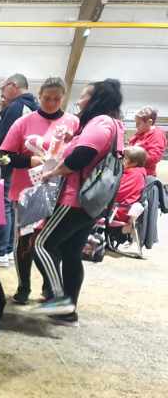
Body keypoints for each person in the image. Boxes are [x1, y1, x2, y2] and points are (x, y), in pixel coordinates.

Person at [33, 79, 125, 324]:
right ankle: (68, 308)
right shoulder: (115, 124)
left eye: (84, 95)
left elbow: (81, 156)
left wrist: (52, 173)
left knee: (41, 245)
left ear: (95, 100)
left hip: (75, 199)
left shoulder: (100, 122)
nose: (80, 100)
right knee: (71, 252)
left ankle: (59, 301)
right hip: (92, 203)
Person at [0, 76, 79, 305]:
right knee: (25, 240)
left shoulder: (73, 122)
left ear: (63, 98)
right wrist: (29, 160)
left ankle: (49, 287)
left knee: (51, 242)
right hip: (27, 191)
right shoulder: (24, 122)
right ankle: (23, 286)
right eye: (46, 98)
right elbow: (4, 156)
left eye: (56, 99)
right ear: (39, 96)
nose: (51, 103)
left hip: (60, 191)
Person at [0, 74, 38, 267]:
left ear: (13, 85)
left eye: (2, 88)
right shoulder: (32, 106)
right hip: (20, 161)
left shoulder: (16, 106)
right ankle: (6, 249)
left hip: (1, 158)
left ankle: (1, 250)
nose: (1, 92)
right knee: (10, 204)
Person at [113, 146, 149, 225]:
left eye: (125, 158)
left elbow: (119, 193)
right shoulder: (133, 172)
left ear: (134, 163)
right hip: (119, 207)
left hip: (119, 211)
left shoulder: (135, 175)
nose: (122, 160)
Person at [129, 106, 165, 177]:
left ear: (149, 122)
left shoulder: (157, 135)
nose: (136, 126)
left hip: (145, 175)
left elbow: (154, 157)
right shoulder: (141, 133)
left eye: (138, 123)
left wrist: (134, 155)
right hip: (135, 172)